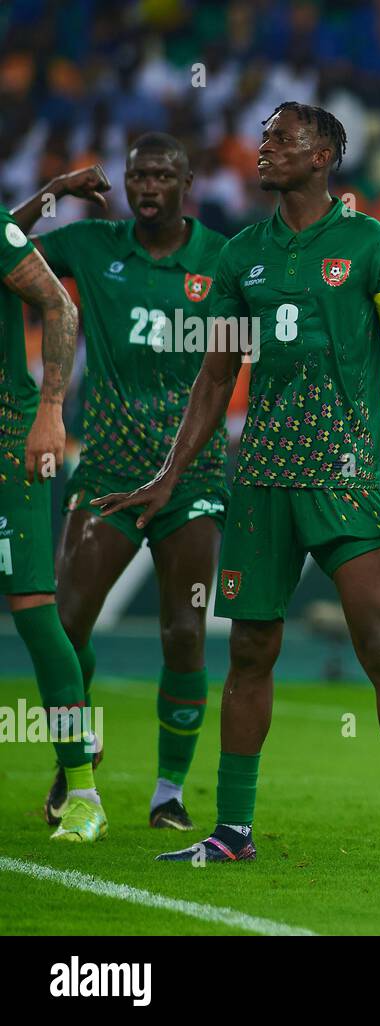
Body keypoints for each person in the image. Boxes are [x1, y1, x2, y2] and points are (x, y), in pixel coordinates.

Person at [97, 103, 380, 871]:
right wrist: (169, 473)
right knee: (252, 650)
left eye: (282, 139)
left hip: (345, 478)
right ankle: (232, 831)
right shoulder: (240, 259)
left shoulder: (372, 246)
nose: (264, 150)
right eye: (262, 138)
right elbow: (217, 374)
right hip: (258, 481)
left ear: (325, 154)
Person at [11, 136, 229, 831]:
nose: (148, 185)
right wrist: (55, 189)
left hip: (191, 478)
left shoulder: (219, 259)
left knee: (184, 633)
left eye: (163, 173)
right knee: (66, 623)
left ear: (187, 182)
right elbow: (6, 241)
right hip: (106, 471)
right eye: (138, 174)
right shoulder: (92, 244)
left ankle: (169, 791)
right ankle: (75, 761)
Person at [0, 202, 101, 840]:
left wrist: (50, 409)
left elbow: (60, 307)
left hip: (8, 439)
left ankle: (83, 791)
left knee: (37, 613)